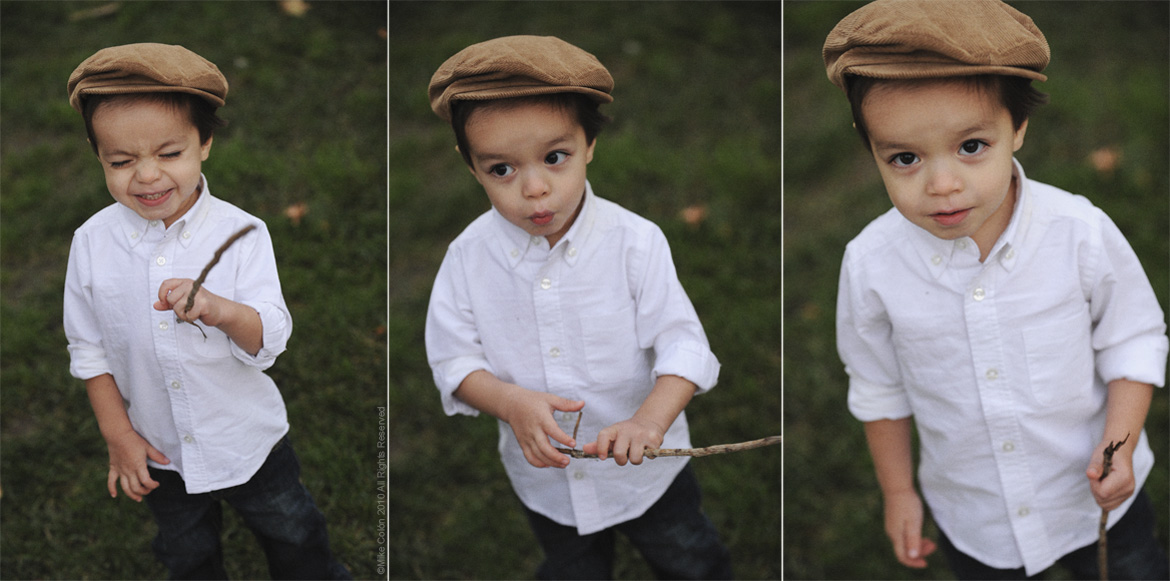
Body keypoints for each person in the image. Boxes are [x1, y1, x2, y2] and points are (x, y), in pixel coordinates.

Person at [826, 1, 1170, 578]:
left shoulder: (1079, 234)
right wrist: (899, 493)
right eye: (905, 158)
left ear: (1018, 128)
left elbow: (1133, 340)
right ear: (872, 151)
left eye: (971, 146)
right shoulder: (870, 265)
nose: (941, 184)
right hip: (973, 518)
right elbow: (878, 387)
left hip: (1096, 500)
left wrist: (1120, 445)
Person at [424, 35, 733, 579]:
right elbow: (453, 362)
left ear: (589, 143)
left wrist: (650, 422)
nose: (535, 188)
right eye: (502, 170)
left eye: (554, 158)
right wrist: (509, 401)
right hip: (548, 483)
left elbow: (683, 344)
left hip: (648, 474)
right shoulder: (468, 259)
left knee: (692, 561)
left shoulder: (635, 243)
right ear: (470, 165)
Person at [63, 43, 349, 580]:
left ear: (206, 144)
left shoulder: (241, 235)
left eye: (169, 154)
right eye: (122, 161)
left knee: (293, 532)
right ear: (98, 154)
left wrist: (219, 310)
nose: (146, 176)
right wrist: (118, 434)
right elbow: (88, 348)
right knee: (186, 552)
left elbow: (269, 337)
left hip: (246, 440)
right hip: (158, 448)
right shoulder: (91, 243)